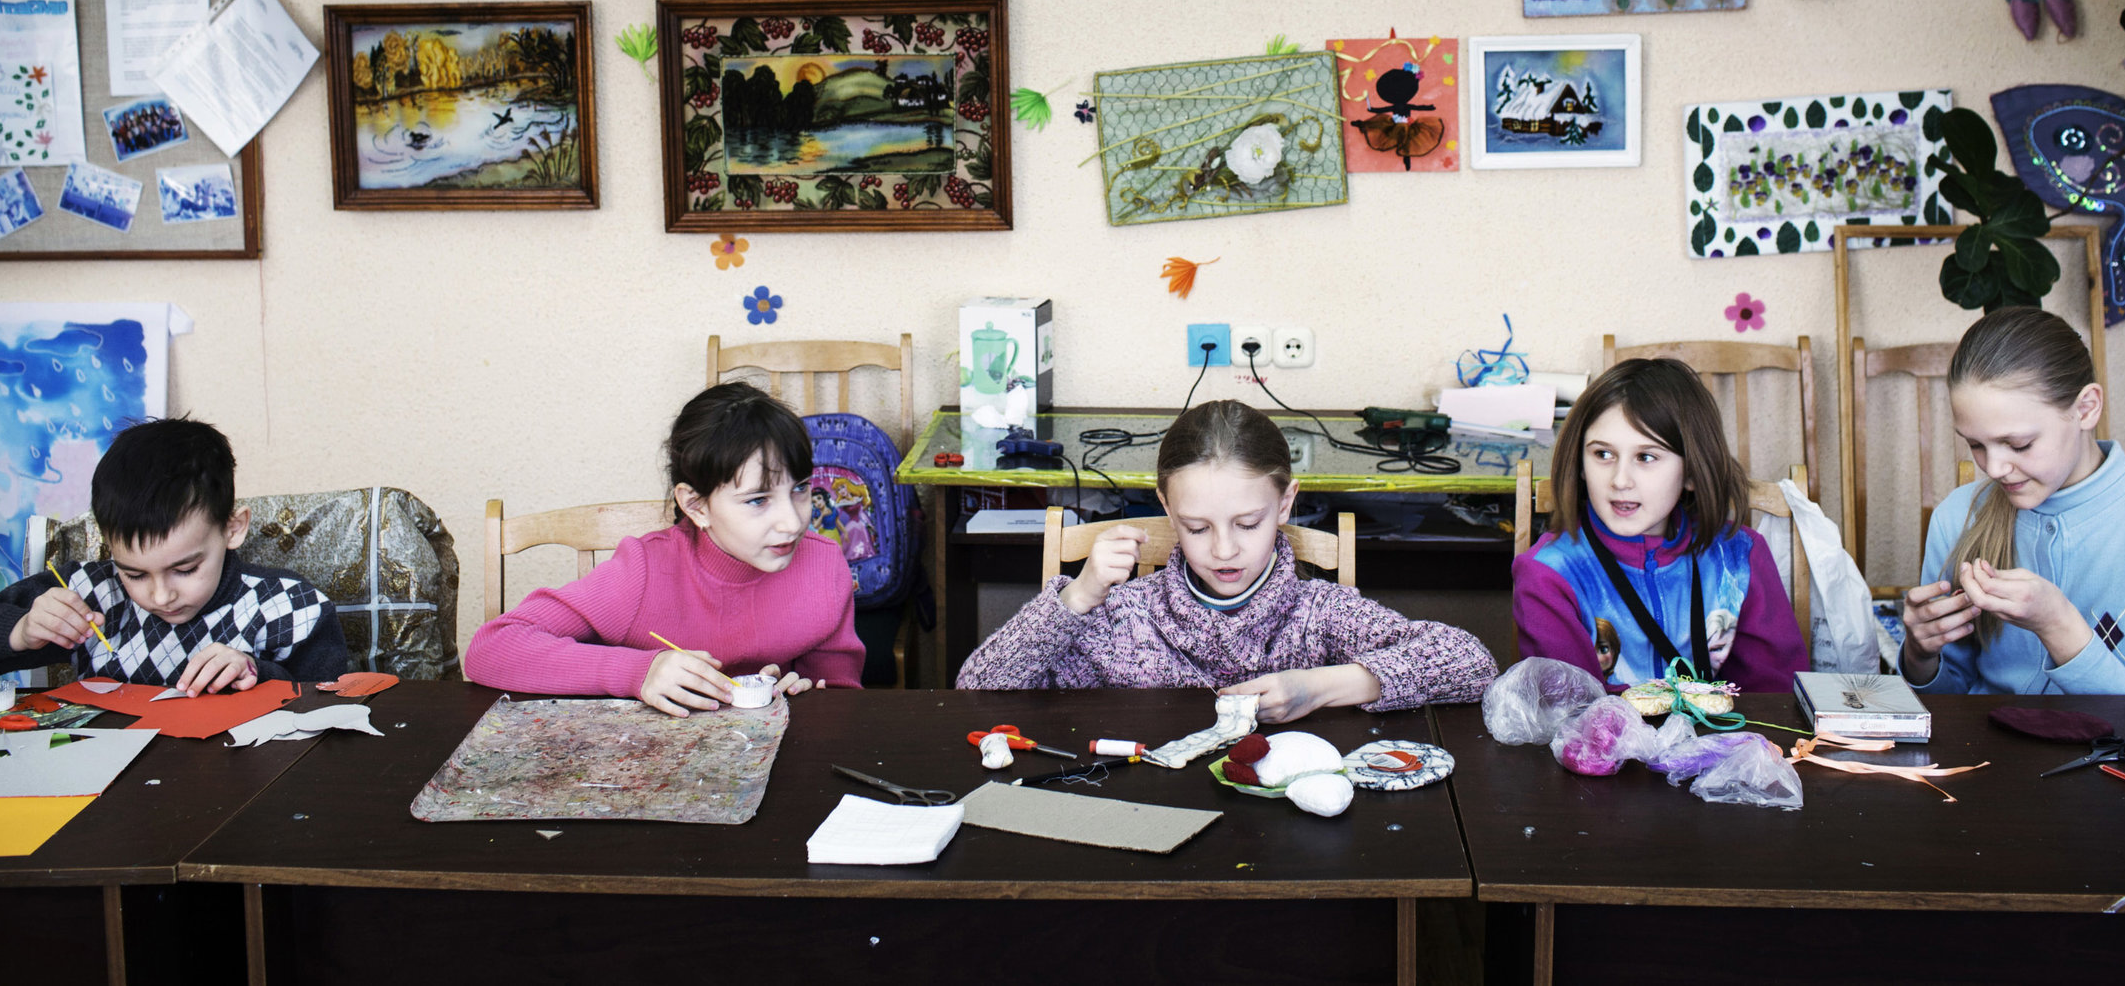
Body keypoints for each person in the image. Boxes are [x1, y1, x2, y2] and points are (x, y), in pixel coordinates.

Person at [954, 399, 1496, 720]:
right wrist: (1076, 598)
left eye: (1248, 523)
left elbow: (1472, 664)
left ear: (1286, 503)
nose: (1224, 550)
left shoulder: (1319, 615)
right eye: (1196, 527)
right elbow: (976, 691)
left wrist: (1320, 686)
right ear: (1165, 507)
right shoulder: (1122, 617)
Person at [466, 382, 861, 714]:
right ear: (696, 506)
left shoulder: (823, 566)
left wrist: (806, 694)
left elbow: (838, 692)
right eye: (758, 500)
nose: (792, 523)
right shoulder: (642, 572)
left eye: (801, 489)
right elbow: (491, 648)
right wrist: (639, 671)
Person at [1900, 306, 2125, 694]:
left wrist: (2059, 626)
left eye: (2019, 444)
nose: (1994, 467)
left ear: (2086, 408)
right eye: (1975, 444)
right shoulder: (1956, 517)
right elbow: (1945, 706)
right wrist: (1920, 656)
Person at [0, 417, 348, 693]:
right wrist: (19, 630)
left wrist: (258, 675)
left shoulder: (288, 606)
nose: (160, 596)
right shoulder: (90, 595)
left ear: (233, 527)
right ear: (107, 541)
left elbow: (332, 708)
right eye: (133, 573)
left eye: (186, 568)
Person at [1512, 358, 1809, 692]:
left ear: (1693, 472)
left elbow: (1775, 701)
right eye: (1603, 455)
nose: (1620, 480)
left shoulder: (1739, 558)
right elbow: (1572, 718)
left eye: (1646, 457)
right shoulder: (1549, 575)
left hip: (1725, 743)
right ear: (1580, 464)